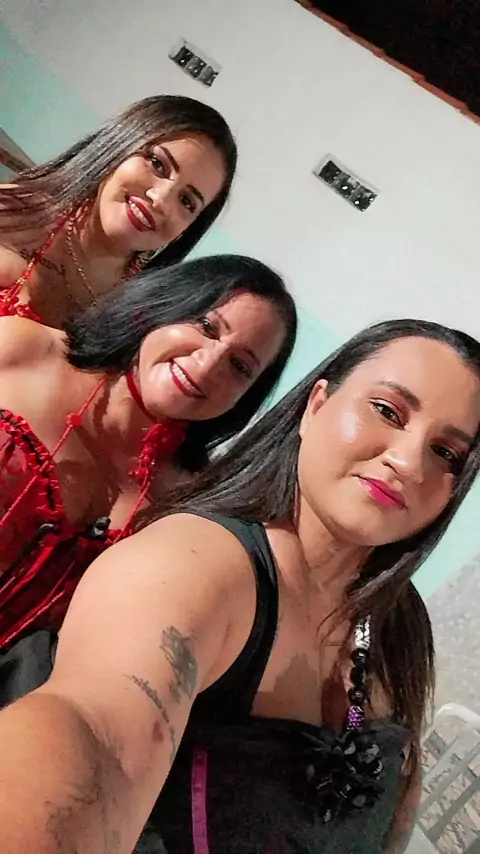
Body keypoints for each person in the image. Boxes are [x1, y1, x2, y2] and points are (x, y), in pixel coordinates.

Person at [0, 318, 479, 854]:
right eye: (387, 411)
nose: (408, 462)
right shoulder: (194, 564)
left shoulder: (399, 622)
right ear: (316, 405)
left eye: (446, 453)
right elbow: (97, 735)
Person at [0, 252, 296, 651]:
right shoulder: (20, 350)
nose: (209, 364)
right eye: (207, 327)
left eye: (240, 366)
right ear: (163, 306)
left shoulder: (186, 505)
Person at [0, 95, 237, 327]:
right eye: (157, 164)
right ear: (121, 146)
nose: (160, 199)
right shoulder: (12, 214)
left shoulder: (147, 314)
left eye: (186, 201)